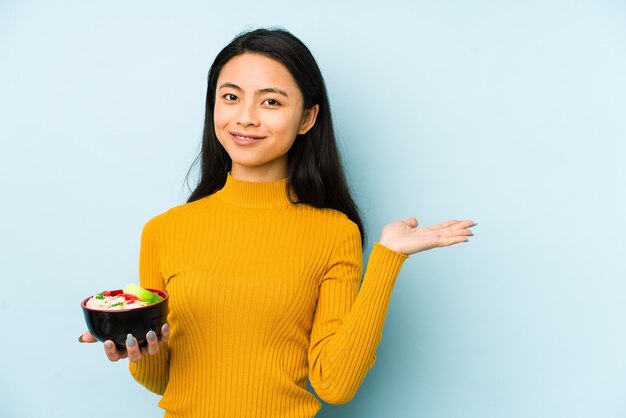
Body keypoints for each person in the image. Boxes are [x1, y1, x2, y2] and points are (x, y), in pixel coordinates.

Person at [79, 28, 474, 417]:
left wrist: (388, 258)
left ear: (307, 118)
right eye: (230, 97)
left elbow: (335, 385)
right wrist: (140, 349)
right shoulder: (165, 231)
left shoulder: (335, 233)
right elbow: (162, 380)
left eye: (270, 102)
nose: (246, 118)